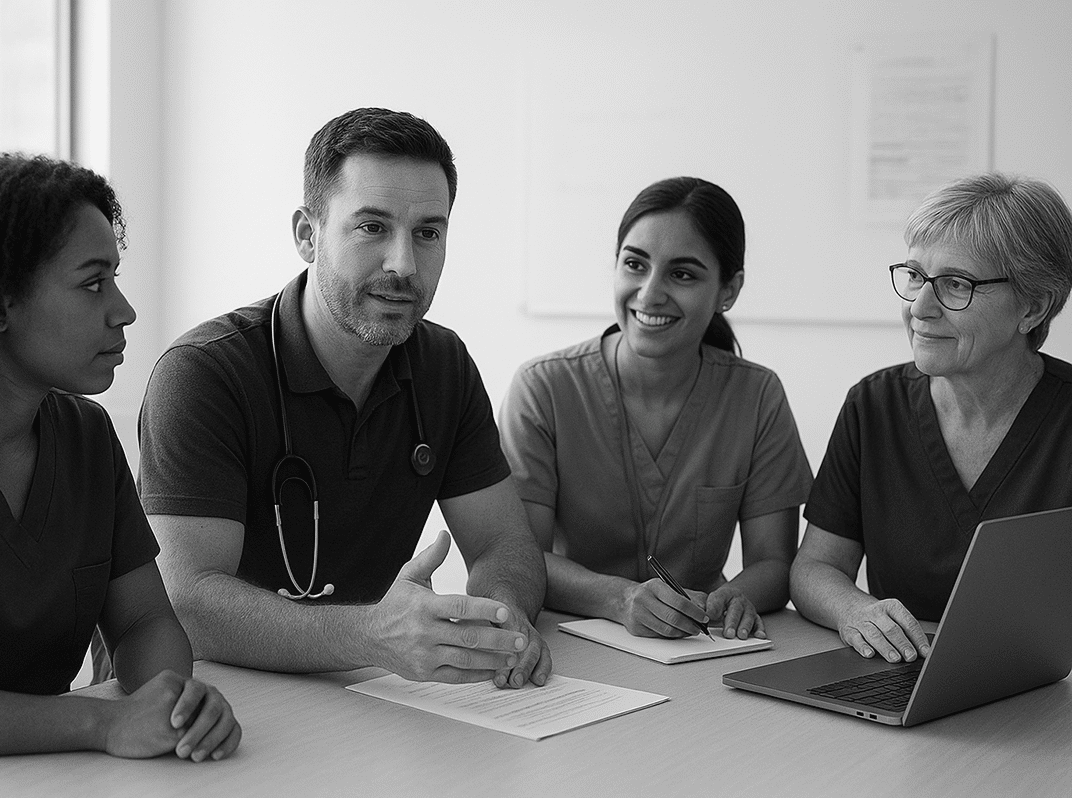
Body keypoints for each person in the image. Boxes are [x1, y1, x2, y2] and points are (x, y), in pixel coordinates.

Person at [139, 107, 551, 688]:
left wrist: (501, 620)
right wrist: (372, 636)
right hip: (203, 702)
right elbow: (186, 602)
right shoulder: (205, 374)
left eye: (428, 233)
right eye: (371, 227)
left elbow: (503, 541)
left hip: (355, 692)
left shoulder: (444, 366)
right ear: (308, 236)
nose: (403, 264)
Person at [0, 151, 241, 760]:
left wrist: (178, 703)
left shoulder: (87, 437)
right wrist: (101, 725)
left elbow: (145, 624)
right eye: (93, 282)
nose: (124, 310)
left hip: (53, 779)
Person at [499, 177, 812, 642]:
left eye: (682, 274)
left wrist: (735, 598)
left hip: (699, 648)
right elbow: (520, 556)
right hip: (570, 645)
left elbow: (773, 563)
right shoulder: (544, 388)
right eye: (634, 264)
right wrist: (620, 598)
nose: (649, 293)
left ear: (729, 290)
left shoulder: (757, 396)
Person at [790, 173, 1072, 664]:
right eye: (916, 276)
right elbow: (815, 567)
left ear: (1033, 306)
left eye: (955, 284)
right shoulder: (873, 406)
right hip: (903, 677)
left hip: (1049, 696)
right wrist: (856, 609)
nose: (919, 308)